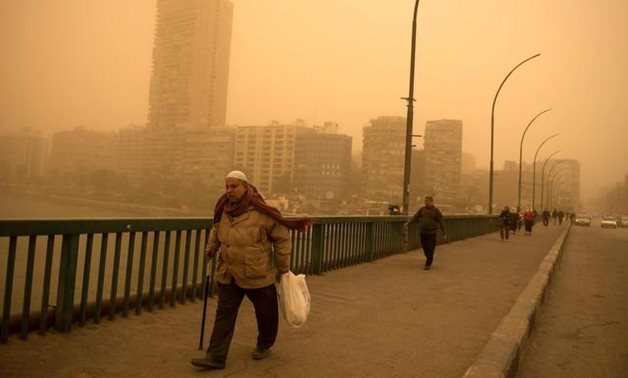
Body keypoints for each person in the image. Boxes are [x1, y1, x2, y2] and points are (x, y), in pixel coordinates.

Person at [191, 170, 311, 370]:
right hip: (228, 272)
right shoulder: (224, 209)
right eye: (227, 186)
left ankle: (264, 344)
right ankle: (216, 356)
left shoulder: (262, 211)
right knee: (224, 313)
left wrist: (283, 268)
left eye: (234, 186)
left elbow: (282, 238)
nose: (229, 191)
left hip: (257, 272)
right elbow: (216, 229)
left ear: (245, 187)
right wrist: (211, 247)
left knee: (266, 312)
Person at [402, 196, 447, 270]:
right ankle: (429, 258)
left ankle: (428, 263)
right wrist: (408, 223)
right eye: (425, 201)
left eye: (428, 201)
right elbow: (415, 217)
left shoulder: (436, 211)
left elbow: (441, 222)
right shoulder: (422, 210)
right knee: (425, 247)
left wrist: (444, 233)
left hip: (432, 233)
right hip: (423, 232)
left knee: (430, 247)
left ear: (432, 202)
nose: (426, 202)